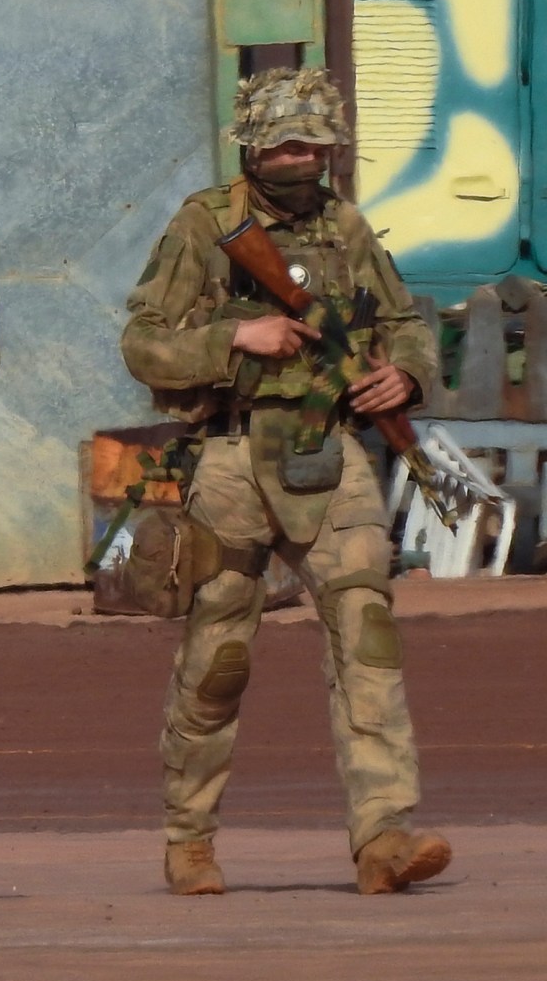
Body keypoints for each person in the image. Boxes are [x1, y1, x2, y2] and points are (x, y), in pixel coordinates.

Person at [122, 66, 451, 896]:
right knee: (219, 658)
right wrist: (237, 339)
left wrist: (406, 375)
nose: (301, 157)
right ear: (254, 148)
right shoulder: (206, 225)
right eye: (286, 144)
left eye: (314, 144)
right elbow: (143, 343)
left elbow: (404, 322)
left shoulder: (347, 226)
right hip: (233, 461)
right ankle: (190, 839)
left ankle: (384, 836)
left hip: (329, 453)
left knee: (367, 640)